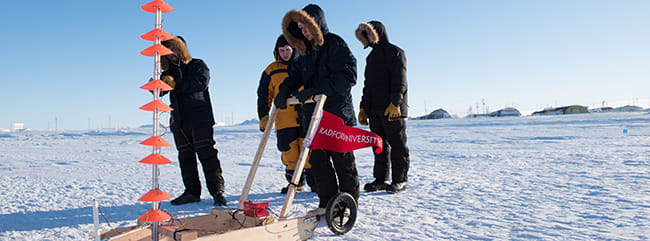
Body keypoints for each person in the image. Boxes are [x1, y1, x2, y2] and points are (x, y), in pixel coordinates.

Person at [276, 4, 359, 215]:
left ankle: (348, 206)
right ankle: (326, 204)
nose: (304, 31)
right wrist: (283, 92)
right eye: (301, 28)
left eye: (307, 26)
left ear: (317, 24)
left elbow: (348, 75)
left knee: (343, 163)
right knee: (318, 162)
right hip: (313, 116)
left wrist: (317, 90)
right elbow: (294, 76)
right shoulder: (304, 51)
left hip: (337, 114)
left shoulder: (335, 43)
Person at [159, 36, 227, 206]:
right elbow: (162, 91)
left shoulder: (197, 65)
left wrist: (175, 84)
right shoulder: (168, 72)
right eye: (168, 50)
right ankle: (191, 192)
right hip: (179, 120)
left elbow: (200, 83)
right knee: (185, 156)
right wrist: (157, 87)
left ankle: (217, 191)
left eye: (174, 49)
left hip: (200, 118)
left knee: (207, 154)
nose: (172, 53)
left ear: (182, 49)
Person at [355, 21, 410, 193]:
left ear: (379, 33)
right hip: (375, 110)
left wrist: (395, 103)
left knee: (397, 144)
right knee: (378, 145)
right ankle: (380, 179)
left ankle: (400, 179)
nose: (369, 37)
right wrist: (363, 108)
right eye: (367, 35)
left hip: (393, 109)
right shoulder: (370, 57)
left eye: (371, 33)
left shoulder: (396, 52)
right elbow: (367, 85)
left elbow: (399, 80)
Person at [257, 34, 316, 194]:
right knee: (290, 153)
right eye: (281, 50)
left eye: (288, 49)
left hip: (307, 117)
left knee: (309, 152)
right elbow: (264, 95)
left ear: (294, 49)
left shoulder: (304, 65)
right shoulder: (271, 70)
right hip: (284, 120)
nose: (285, 53)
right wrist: (264, 116)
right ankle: (294, 184)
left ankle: (315, 183)